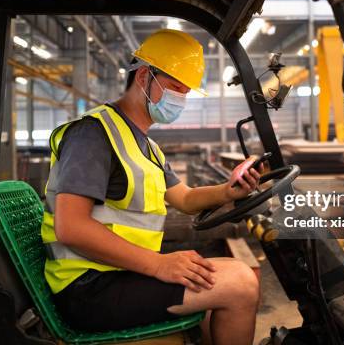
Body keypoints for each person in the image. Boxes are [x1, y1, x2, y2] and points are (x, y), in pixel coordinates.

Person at [41, 29, 263, 345]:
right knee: (240, 282)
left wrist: (229, 191)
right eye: (175, 88)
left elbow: (184, 198)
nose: (181, 99)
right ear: (144, 77)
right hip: (89, 288)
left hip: (118, 273)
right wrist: (159, 264)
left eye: (186, 92)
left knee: (224, 277)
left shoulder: (145, 146)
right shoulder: (93, 135)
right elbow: (71, 227)